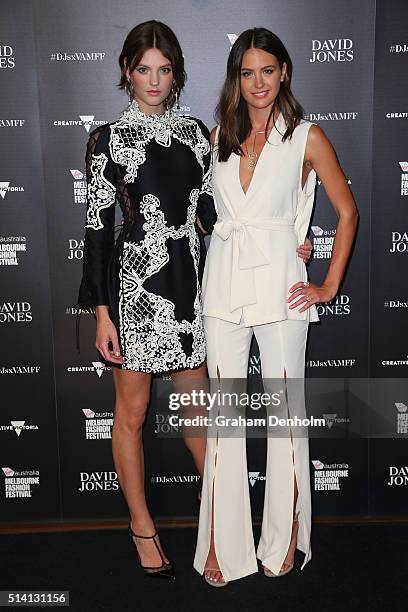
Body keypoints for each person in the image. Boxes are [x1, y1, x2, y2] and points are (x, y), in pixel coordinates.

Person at [76, 20, 313, 582]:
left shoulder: (197, 135)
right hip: (132, 293)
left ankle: (223, 527)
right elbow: (97, 230)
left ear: (176, 74)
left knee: (198, 416)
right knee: (131, 414)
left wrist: (289, 238)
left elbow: (219, 215)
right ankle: (142, 527)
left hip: (189, 290)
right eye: (143, 69)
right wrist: (101, 311)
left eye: (163, 69)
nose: (153, 80)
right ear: (126, 74)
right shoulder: (105, 139)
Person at [193, 27, 358, 586]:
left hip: (283, 287)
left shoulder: (307, 136)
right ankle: (222, 543)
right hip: (222, 284)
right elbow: (212, 217)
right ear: (236, 79)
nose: (258, 82)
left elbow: (347, 210)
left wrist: (326, 284)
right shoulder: (218, 136)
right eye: (247, 72)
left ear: (284, 71)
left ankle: (285, 538)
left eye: (268, 70)